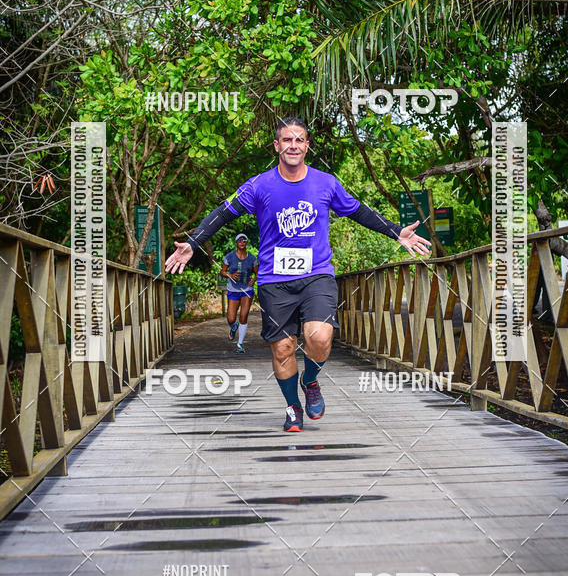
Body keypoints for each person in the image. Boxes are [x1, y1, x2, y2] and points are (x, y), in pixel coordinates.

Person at [165, 116, 431, 432]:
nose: (293, 145)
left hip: (317, 275)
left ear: (307, 146)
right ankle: (293, 407)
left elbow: (359, 210)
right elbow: (224, 212)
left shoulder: (326, 183)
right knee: (283, 348)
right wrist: (193, 243)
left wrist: (395, 232)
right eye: (287, 140)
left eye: (299, 140)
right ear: (277, 146)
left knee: (319, 337)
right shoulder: (259, 185)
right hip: (275, 280)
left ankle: (311, 379)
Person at [220, 233, 257, 353]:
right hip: (233, 290)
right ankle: (233, 327)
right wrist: (229, 275)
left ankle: (240, 344)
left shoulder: (252, 258)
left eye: (244, 240)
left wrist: (254, 279)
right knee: (231, 318)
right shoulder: (230, 257)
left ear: (246, 243)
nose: (242, 242)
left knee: (243, 316)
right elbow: (222, 271)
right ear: (236, 243)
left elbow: (257, 273)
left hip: (247, 290)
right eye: (239, 240)